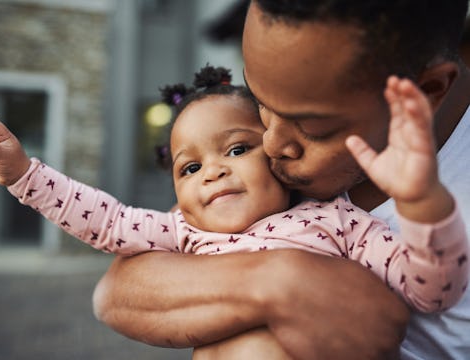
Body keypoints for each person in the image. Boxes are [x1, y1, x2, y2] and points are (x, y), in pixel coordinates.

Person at [0, 64, 468, 357]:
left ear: (278, 155)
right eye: (189, 168)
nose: (214, 173)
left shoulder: (338, 219)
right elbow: (105, 219)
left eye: (238, 149)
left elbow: (431, 290)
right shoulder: (180, 232)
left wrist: (424, 204)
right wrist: (23, 174)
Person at [91, 1, 470, 359]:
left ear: (428, 90)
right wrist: (281, 280)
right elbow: (118, 292)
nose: (271, 144)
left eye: (311, 126)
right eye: (259, 102)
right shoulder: (270, 159)